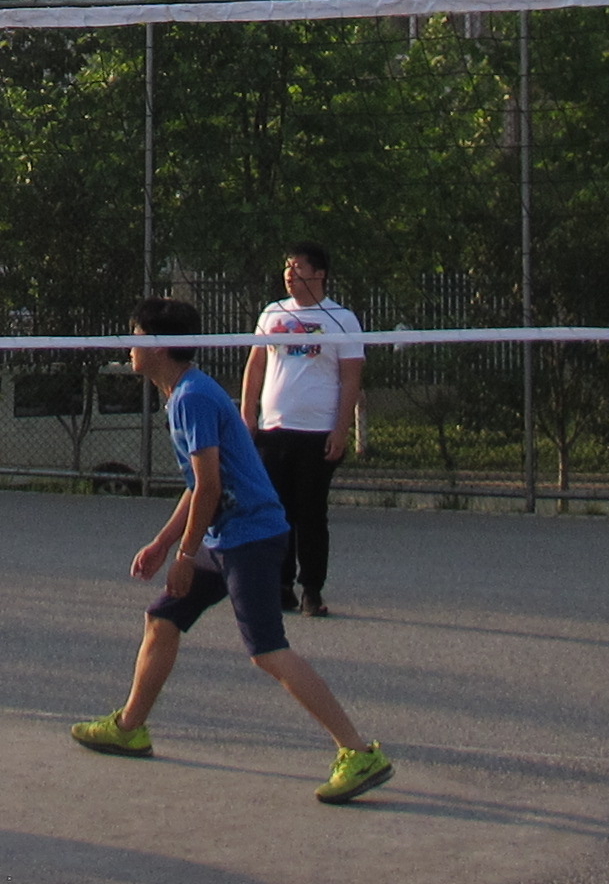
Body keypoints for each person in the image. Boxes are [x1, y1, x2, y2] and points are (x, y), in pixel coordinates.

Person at [71, 296, 393, 805]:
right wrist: (163, 543)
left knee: (267, 650)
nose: (128, 345)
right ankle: (130, 728)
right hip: (226, 536)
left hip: (250, 537)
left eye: (135, 335)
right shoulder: (182, 393)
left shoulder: (192, 397)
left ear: (157, 346)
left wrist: (184, 557)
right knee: (163, 619)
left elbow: (211, 486)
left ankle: (358, 752)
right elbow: (198, 485)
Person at [239, 243, 362, 617]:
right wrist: (248, 415)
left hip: (317, 431)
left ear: (319, 274)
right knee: (276, 512)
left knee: (310, 513)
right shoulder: (272, 313)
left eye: (297, 267)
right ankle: (280, 586)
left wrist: (340, 430)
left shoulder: (341, 319)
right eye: (287, 267)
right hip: (274, 430)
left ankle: (312, 589)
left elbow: (351, 378)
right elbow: (255, 366)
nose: (289, 274)